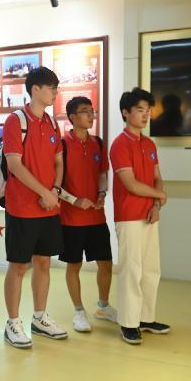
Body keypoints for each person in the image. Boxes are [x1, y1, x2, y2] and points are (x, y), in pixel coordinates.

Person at [1, 66, 67, 348]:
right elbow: (15, 165)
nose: (55, 93)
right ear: (35, 89)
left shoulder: (52, 123)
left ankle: (39, 317)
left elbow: (58, 162)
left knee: (43, 262)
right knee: (18, 265)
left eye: (56, 88)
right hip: (22, 207)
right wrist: (43, 192)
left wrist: (54, 192)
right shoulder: (15, 121)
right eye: (51, 88)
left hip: (48, 207)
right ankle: (12, 323)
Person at [110, 88, 171, 345]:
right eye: (140, 110)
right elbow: (131, 184)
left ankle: (145, 318)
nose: (146, 115)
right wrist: (160, 195)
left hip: (150, 215)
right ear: (126, 112)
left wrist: (157, 205)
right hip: (129, 216)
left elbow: (157, 176)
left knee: (151, 269)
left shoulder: (149, 144)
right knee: (131, 270)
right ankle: (128, 322)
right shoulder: (119, 145)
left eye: (148, 111)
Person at [57, 96, 118, 332]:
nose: (91, 115)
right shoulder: (62, 145)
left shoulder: (98, 143)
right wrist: (75, 200)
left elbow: (102, 173)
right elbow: (54, 185)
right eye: (85, 111)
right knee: (74, 266)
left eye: (92, 111)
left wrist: (102, 193)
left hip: (96, 217)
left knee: (106, 263)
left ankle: (103, 306)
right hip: (70, 219)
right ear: (72, 117)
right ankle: (79, 311)